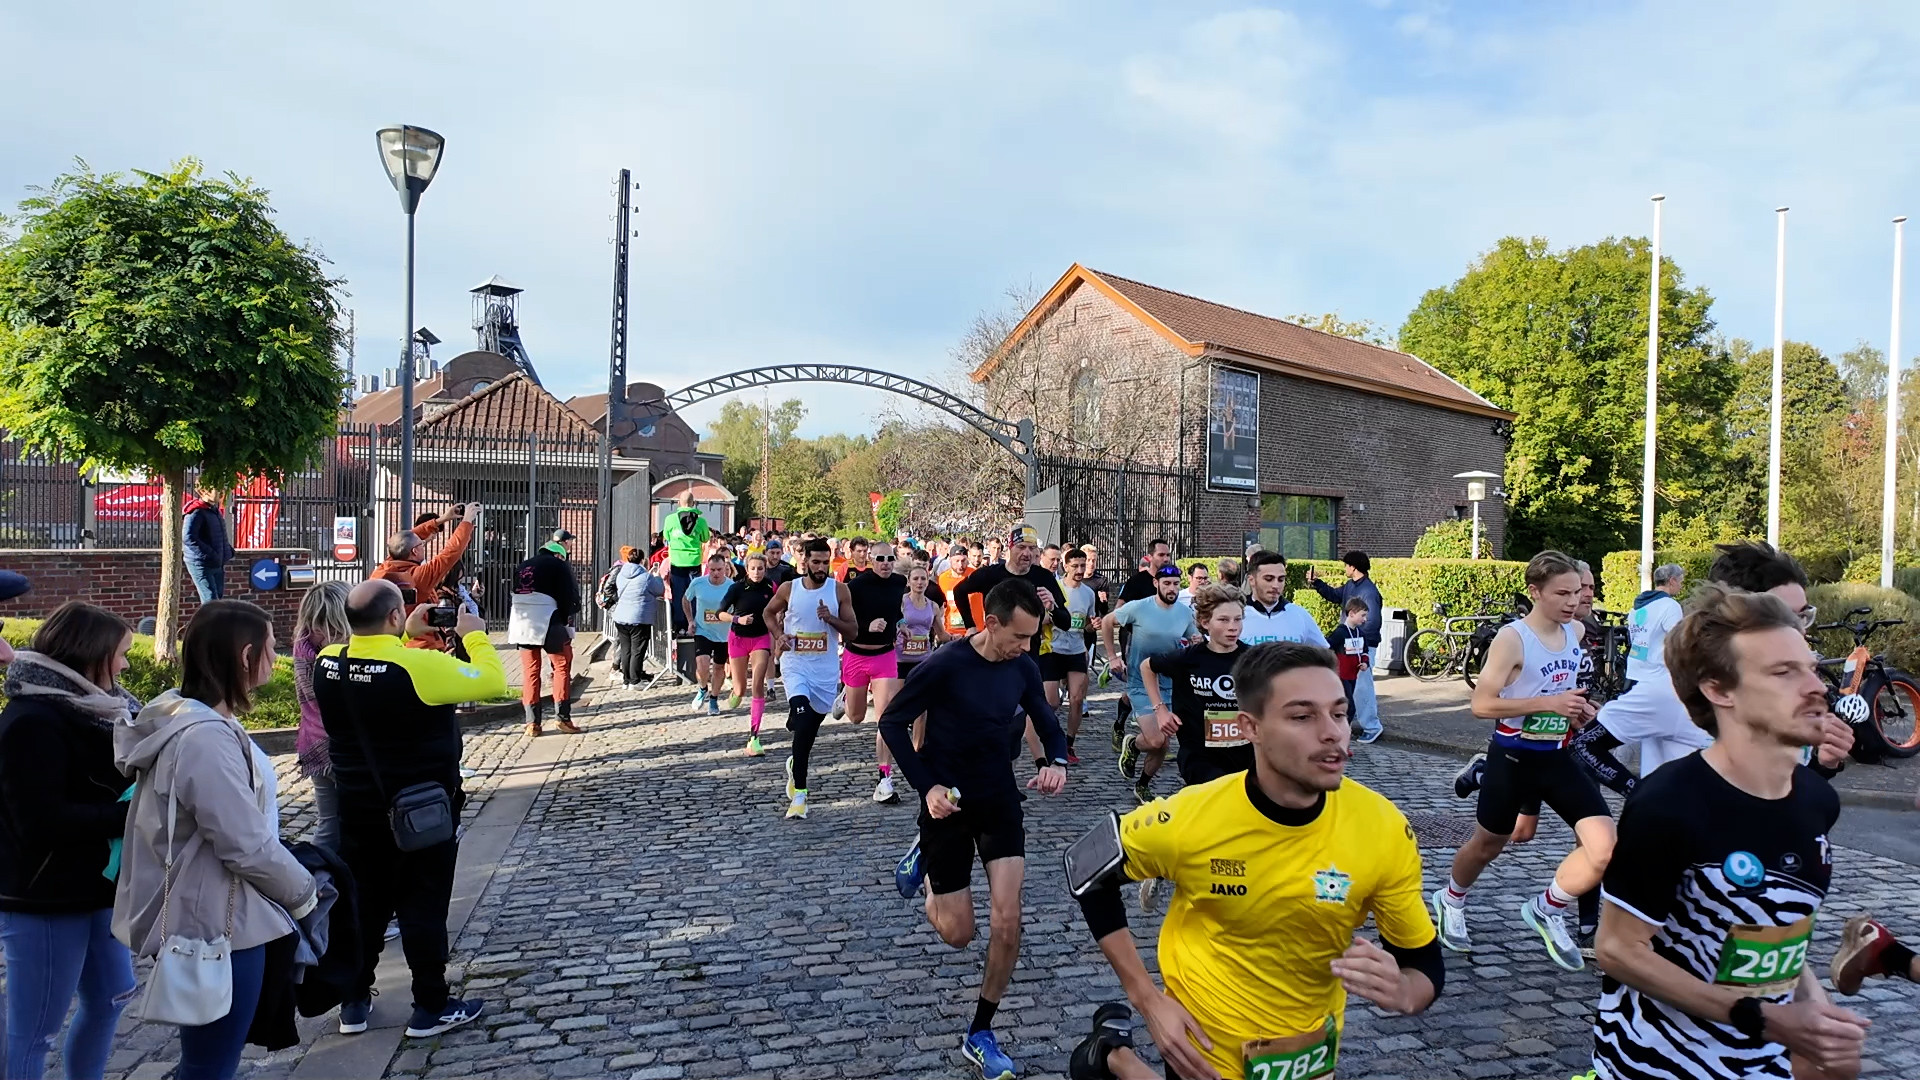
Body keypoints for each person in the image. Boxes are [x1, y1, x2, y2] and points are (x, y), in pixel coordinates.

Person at [1064, 642, 1442, 1080]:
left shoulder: (1382, 827)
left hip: (1308, 1054)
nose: (1332, 732)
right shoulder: (1192, 817)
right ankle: (1115, 1057)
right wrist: (1146, 998)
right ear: (1251, 727)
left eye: (1339, 713)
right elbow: (1086, 868)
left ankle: (1114, 1057)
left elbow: (1424, 965)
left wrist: (1404, 992)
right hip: (1205, 1048)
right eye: (1303, 716)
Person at [1591, 583, 1867, 1080]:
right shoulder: (1668, 803)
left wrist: (1817, 1018)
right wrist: (1758, 1016)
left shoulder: (1816, 799)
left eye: (1809, 666)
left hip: (1764, 1062)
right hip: (1659, 1065)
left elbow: (1770, 926)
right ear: (1719, 690)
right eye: (1783, 672)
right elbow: (1616, 948)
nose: (1815, 687)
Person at [115, 601, 319, 1080]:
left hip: (221, 909)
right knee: (210, 1066)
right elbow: (243, 841)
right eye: (272, 648)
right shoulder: (204, 735)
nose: (278, 656)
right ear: (246, 656)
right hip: (220, 920)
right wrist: (306, 894)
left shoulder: (194, 718)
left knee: (210, 1061)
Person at [881, 578, 1069, 1080]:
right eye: (1020, 637)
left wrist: (1055, 760)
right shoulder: (945, 665)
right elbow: (891, 724)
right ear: (991, 624)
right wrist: (926, 788)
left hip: (998, 800)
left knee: (1008, 919)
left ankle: (981, 1030)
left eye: (1033, 639)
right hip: (946, 805)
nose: (1027, 649)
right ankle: (924, 860)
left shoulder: (1022, 666)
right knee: (959, 934)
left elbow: (1045, 717)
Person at [316, 580, 504, 1042]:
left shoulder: (329, 662)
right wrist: (474, 634)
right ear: (397, 616)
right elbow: (495, 681)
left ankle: (354, 1002)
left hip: (357, 807)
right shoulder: (421, 664)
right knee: (423, 904)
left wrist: (399, 634)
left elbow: (376, 665)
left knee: (366, 903)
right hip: (422, 809)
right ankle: (431, 1005)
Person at [1432, 551, 1613, 973]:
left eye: (1578, 592)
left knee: (1604, 848)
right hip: (1512, 757)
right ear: (1535, 592)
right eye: (1562, 593)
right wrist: (1549, 702)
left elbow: (1566, 688)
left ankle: (1547, 909)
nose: (1573, 601)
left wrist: (1582, 709)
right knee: (1489, 843)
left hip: (1556, 756)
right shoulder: (1512, 639)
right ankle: (1451, 898)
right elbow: (1481, 704)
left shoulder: (1576, 630)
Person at [0, 603, 141, 1080]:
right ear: (90, 655)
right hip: (42, 897)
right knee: (33, 1031)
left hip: (94, 887)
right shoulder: (33, 720)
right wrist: (132, 817)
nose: (125, 666)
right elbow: (40, 822)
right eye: (120, 654)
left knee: (111, 996)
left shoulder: (97, 708)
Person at [952, 526, 1074, 770]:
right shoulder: (990, 574)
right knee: (989, 716)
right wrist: (971, 627)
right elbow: (959, 591)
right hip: (991, 656)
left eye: (1032, 549)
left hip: (1027, 658)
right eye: (1021, 548)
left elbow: (1066, 622)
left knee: (1016, 721)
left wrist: (1052, 606)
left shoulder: (1044, 578)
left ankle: (1005, 772)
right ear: (1010, 548)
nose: (1026, 554)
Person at [764, 538, 858, 819]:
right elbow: (768, 612)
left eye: (824, 563)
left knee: (806, 730)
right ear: (803, 561)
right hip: (795, 665)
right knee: (804, 723)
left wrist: (830, 619)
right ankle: (800, 796)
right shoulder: (789, 588)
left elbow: (852, 631)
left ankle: (795, 759)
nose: (820, 568)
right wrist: (779, 635)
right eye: (815, 562)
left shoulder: (839, 590)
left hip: (825, 671)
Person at [1138, 583, 1248, 788]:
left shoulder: (1253, 659)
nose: (1233, 626)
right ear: (1205, 622)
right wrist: (1160, 710)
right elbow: (1147, 667)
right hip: (1200, 757)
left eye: (1238, 619)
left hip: (1245, 756)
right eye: (1223, 620)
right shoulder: (1189, 658)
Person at [1108, 564, 1200, 804]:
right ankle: (1135, 744)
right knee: (1157, 740)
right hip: (1141, 683)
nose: (1172, 589)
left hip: (1173, 686)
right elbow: (1108, 622)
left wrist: (1196, 640)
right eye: (1167, 584)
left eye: (1176, 584)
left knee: (1163, 744)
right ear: (1156, 583)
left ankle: (1143, 784)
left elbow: (1192, 638)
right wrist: (1112, 656)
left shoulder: (1184, 612)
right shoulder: (1139, 607)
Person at [847, 543, 911, 803]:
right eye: (880, 559)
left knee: (885, 719)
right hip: (856, 654)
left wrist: (902, 624)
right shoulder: (857, 585)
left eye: (889, 559)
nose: (885, 563)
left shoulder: (898, 582)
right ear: (871, 560)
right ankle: (845, 697)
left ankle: (884, 779)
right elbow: (845, 617)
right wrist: (867, 625)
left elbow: (895, 610)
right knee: (856, 717)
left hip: (885, 656)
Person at [292, 581, 352, 853]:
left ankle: (320, 881)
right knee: (351, 824)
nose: (324, 635)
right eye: (322, 628)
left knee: (329, 825)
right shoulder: (337, 656)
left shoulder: (302, 646)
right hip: (339, 749)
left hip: (314, 743)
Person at [508, 530, 582, 737]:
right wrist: (567, 617)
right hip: (549, 619)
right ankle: (563, 719)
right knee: (561, 666)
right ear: (559, 555)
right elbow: (569, 596)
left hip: (522, 622)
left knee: (530, 671)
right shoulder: (559, 565)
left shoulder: (523, 565)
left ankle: (532, 723)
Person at [1308, 551, 1384, 742]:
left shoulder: (1369, 591)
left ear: (1353, 567)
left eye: (1346, 565)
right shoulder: (1352, 585)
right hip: (1351, 646)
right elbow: (1335, 595)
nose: (1344, 568)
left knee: (1362, 688)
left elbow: (1372, 622)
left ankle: (1372, 726)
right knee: (1350, 687)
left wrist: (1360, 646)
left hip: (1360, 648)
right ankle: (1353, 725)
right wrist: (1317, 583)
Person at [371, 503, 479, 614]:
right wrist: (466, 522)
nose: (424, 544)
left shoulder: (385, 567)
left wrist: (442, 519)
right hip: (412, 629)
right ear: (414, 551)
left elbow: (406, 538)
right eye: (421, 545)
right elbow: (451, 552)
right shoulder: (419, 575)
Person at [720, 553, 778, 754]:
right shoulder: (736, 588)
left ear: (765, 569)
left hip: (760, 638)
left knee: (758, 683)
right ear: (747, 569)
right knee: (740, 688)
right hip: (738, 639)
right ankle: (735, 691)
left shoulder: (771, 587)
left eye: (760, 568)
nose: (757, 572)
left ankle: (754, 737)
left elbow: (780, 608)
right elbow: (721, 612)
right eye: (753, 568)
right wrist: (738, 619)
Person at [1045, 547, 1098, 765]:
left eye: (1082, 566)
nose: (1079, 570)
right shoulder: (1055, 588)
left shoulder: (1089, 593)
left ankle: (1068, 743)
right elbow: (1043, 618)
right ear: (1065, 566)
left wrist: (1092, 626)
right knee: (1052, 703)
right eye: (1075, 566)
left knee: (1076, 699)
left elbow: (1086, 624)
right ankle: (1047, 737)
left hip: (1076, 650)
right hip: (1053, 649)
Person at [1240, 550, 1328, 649]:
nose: (1276, 585)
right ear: (1251, 580)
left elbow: (1325, 655)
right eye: (1269, 579)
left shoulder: (1300, 615)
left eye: (1281, 579)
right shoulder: (1237, 616)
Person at [684, 552, 735, 715]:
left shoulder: (731, 586)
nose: (715, 573)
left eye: (719, 569)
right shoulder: (698, 583)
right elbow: (685, 599)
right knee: (702, 663)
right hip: (703, 630)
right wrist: (690, 621)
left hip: (723, 634)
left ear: (725, 569)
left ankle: (714, 699)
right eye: (712, 569)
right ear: (707, 568)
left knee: (719, 667)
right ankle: (702, 688)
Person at [609, 545, 665, 687]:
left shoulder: (621, 574)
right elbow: (659, 589)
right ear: (642, 561)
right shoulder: (645, 577)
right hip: (638, 617)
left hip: (621, 616)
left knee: (626, 649)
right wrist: (657, 577)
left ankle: (627, 679)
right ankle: (635, 680)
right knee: (637, 650)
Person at [661, 493, 712, 638]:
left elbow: (667, 536)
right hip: (694, 562)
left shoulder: (670, 519)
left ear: (678, 503)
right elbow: (705, 538)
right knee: (694, 594)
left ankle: (680, 626)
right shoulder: (700, 521)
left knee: (678, 594)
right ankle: (694, 624)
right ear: (694, 503)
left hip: (677, 561)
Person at [182, 486, 235, 603]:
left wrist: (228, 551)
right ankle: (209, 622)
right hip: (201, 564)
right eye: (217, 489)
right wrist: (210, 555)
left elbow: (219, 535)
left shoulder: (214, 511)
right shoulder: (196, 512)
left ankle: (212, 621)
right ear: (203, 491)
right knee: (210, 601)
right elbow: (188, 537)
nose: (221, 493)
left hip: (216, 562)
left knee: (217, 600)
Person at [1327, 597, 1374, 722]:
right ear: (1351, 613)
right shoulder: (1340, 633)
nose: (1365, 619)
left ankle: (1339, 730)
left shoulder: (1361, 634)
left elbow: (1365, 651)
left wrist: (1365, 662)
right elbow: (1327, 647)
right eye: (1362, 615)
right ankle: (1343, 731)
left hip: (1353, 675)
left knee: (1343, 706)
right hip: (1340, 676)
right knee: (1349, 707)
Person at [938, 544, 975, 638]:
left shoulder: (975, 575)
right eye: (957, 561)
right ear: (950, 559)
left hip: (973, 631)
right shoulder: (943, 579)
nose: (960, 565)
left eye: (963, 561)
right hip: (951, 631)